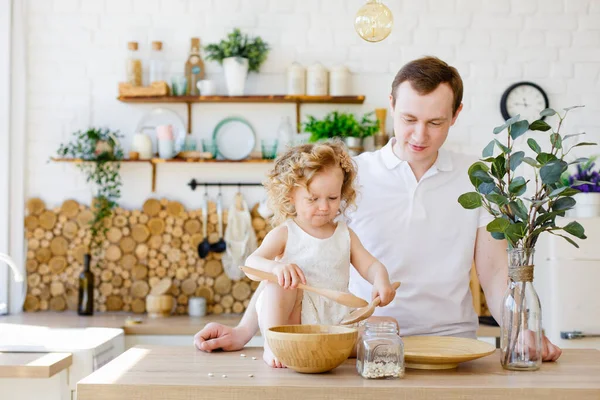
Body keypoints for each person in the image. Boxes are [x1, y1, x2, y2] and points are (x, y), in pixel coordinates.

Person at [194, 56, 562, 362]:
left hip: (452, 345)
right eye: (409, 120)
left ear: (456, 114)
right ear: (391, 106)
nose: (420, 136)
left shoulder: (478, 179)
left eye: (435, 122)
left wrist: (522, 331)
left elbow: (496, 273)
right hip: (362, 343)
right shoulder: (350, 177)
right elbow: (297, 260)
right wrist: (244, 331)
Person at [243, 141, 396, 367]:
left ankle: (330, 347)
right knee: (277, 284)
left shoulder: (345, 235)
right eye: (313, 199)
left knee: (391, 326)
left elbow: (371, 265)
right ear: (291, 195)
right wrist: (276, 268)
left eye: (332, 198)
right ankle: (273, 346)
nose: (324, 207)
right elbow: (251, 262)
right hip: (293, 323)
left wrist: (381, 280)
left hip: (336, 320)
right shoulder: (285, 233)